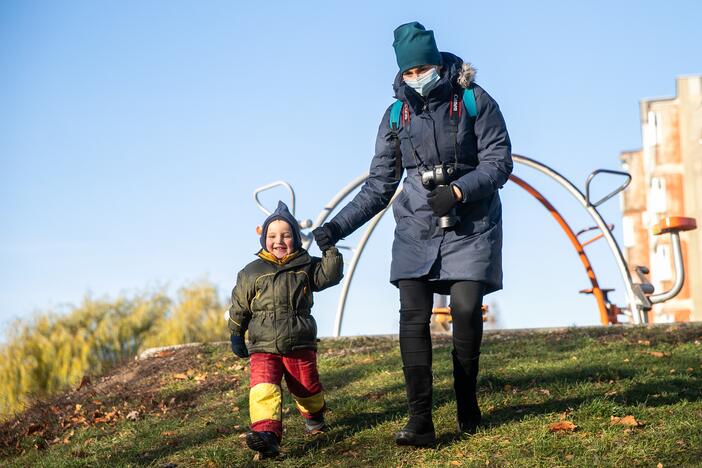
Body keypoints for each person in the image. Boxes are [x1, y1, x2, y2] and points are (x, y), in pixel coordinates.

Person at [313, 21, 512, 446]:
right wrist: (337, 226)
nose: (416, 76)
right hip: (416, 227)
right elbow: (379, 185)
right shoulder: (394, 114)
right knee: (412, 318)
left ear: (437, 62)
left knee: (464, 308)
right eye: (408, 71)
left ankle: (466, 403)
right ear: (400, 73)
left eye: (422, 67)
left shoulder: (474, 100)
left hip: (471, 224)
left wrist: (458, 190)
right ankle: (420, 420)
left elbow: (499, 163)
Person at [228, 201, 344, 458]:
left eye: (286, 235)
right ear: (263, 239)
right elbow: (239, 305)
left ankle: (314, 417)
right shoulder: (251, 272)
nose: (278, 240)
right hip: (263, 345)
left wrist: (329, 251)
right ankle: (267, 435)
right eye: (272, 236)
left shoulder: (306, 265)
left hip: (298, 341)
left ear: (296, 238)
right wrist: (236, 333)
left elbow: (330, 276)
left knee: (306, 387)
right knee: (263, 388)